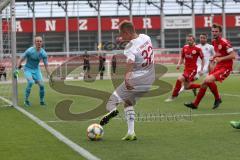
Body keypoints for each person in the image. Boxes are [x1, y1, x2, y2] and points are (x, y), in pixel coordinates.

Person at [99, 20, 155, 141]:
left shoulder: (130, 47)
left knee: (112, 100)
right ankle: (131, 132)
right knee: (128, 103)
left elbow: (130, 62)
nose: (121, 37)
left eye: (122, 34)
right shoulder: (146, 37)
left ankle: (112, 111)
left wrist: (127, 79)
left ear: (127, 32)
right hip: (149, 79)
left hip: (136, 80)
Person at [184, 23, 236, 109]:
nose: (214, 33)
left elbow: (233, 55)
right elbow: (219, 52)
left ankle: (217, 98)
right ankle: (195, 104)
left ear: (220, 32)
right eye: (213, 31)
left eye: (216, 31)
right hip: (218, 66)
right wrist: (214, 57)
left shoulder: (225, 42)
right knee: (205, 83)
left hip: (226, 67)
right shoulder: (214, 42)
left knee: (207, 79)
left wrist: (221, 59)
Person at [165, 34, 204, 102]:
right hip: (186, 69)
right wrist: (179, 64)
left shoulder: (197, 49)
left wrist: (201, 69)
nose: (189, 41)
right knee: (186, 87)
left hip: (193, 70)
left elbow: (203, 59)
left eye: (190, 40)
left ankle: (173, 96)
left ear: (194, 40)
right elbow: (182, 57)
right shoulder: (185, 48)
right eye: (188, 40)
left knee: (180, 79)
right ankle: (203, 86)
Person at [16, 36, 50, 107]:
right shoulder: (30, 50)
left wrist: (49, 74)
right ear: (34, 42)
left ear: (42, 42)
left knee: (42, 86)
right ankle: (26, 100)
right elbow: (21, 59)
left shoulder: (43, 53)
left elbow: (46, 65)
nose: (39, 43)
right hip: (27, 69)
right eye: (37, 41)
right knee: (31, 82)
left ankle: (42, 101)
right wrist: (17, 69)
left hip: (36, 70)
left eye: (40, 41)